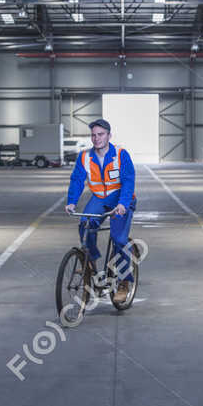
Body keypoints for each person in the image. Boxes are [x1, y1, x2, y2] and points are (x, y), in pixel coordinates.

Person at [64, 118, 137, 303]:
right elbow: (77, 180)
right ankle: (90, 260)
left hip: (121, 198)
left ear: (109, 136)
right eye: (93, 135)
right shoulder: (85, 157)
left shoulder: (121, 154)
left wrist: (123, 204)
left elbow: (128, 181)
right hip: (100, 198)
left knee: (119, 239)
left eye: (101, 134)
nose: (96, 139)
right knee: (85, 223)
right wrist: (72, 202)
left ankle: (124, 283)